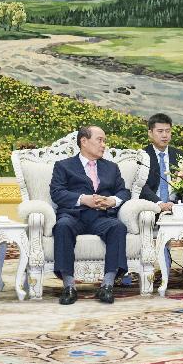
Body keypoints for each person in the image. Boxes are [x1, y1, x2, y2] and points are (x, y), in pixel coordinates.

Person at [50, 125, 130, 305]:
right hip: (73, 216)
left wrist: (112, 201)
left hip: (100, 217)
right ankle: (69, 287)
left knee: (118, 227)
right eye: (100, 140)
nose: (104, 145)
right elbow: (57, 193)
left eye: (105, 141)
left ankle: (107, 285)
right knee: (62, 226)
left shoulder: (111, 168)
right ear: (84, 141)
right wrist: (83, 199)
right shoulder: (63, 166)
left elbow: (124, 192)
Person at [139, 113, 183, 276]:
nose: (164, 135)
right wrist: (159, 203)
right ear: (150, 133)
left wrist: (178, 202)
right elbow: (141, 186)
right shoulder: (142, 156)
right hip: (152, 205)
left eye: (168, 131)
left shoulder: (179, 155)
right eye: (160, 131)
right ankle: (163, 261)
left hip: (178, 204)